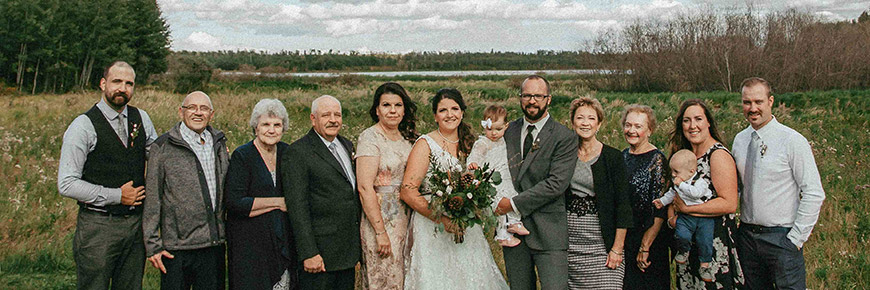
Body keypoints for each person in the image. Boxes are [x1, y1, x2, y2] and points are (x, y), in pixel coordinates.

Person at [58, 61, 158, 290]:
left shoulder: (142, 118)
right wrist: (116, 196)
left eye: (129, 83)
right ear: (103, 84)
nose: (122, 88)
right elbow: (66, 183)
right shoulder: (83, 126)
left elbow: (157, 159)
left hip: (135, 226)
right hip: (98, 226)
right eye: (116, 82)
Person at [400, 88, 508, 290]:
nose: (450, 114)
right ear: (435, 116)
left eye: (455, 108)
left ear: (462, 112)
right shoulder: (425, 144)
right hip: (433, 227)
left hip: (467, 227)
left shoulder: (473, 144)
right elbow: (408, 190)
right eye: (443, 110)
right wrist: (441, 218)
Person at [733, 77, 825, 290]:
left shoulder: (791, 140)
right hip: (747, 237)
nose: (753, 108)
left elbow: (813, 192)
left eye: (758, 102)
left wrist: (795, 239)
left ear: (770, 101)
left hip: (782, 238)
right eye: (747, 102)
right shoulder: (740, 140)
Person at [495, 75, 577, 290]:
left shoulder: (564, 136)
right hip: (513, 233)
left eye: (538, 96)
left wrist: (512, 204)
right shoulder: (507, 131)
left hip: (549, 232)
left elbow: (556, 184)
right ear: (520, 98)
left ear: (548, 99)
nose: (532, 101)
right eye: (527, 95)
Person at [143, 91, 229, 290]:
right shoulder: (163, 147)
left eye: (204, 108)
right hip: (177, 248)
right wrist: (152, 244)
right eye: (192, 107)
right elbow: (153, 198)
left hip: (213, 244)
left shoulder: (218, 142)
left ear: (211, 114)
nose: (198, 113)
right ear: (181, 112)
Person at [283, 95, 361, 290]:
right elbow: (297, 206)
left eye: (337, 114)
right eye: (326, 115)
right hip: (319, 255)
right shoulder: (298, 152)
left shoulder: (346, 145)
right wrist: (309, 252)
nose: (333, 120)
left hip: (346, 253)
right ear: (313, 118)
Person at [668, 99, 744, 289]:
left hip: (714, 245)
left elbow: (728, 204)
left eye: (698, 119)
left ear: (708, 122)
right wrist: (672, 219)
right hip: (688, 244)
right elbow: (672, 194)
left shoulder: (717, 155)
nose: (693, 126)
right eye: (686, 121)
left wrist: (688, 209)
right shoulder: (683, 155)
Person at [225, 99, 297, 290]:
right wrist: (279, 203)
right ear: (255, 127)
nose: (271, 130)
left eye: (277, 125)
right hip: (250, 246)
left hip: (283, 240)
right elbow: (235, 203)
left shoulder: (287, 153)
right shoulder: (243, 156)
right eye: (266, 124)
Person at [355, 82, 418, 289]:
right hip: (381, 219)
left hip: (408, 218)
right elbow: (364, 188)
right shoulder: (370, 137)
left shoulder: (407, 138)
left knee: (404, 277)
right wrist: (380, 232)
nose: (392, 110)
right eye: (386, 105)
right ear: (377, 110)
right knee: (383, 278)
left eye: (398, 105)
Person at [565, 97, 632, 289]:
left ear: (599, 124)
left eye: (591, 118)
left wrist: (617, 249)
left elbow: (623, 206)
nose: (585, 123)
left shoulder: (613, 157)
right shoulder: (565, 155)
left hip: (603, 245)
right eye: (580, 118)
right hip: (571, 246)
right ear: (572, 122)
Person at [619, 104, 671, 290]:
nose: (631, 130)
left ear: (649, 130)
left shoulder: (657, 160)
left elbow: (660, 209)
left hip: (649, 241)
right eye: (628, 125)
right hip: (626, 239)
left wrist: (645, 246)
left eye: (638, 126)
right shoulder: (623, 156)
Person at [467, 105, 528, 247]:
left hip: (505, 176)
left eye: (498, 129)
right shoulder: (483, 143)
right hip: (491, 179)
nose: (493, 133)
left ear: (506, 126)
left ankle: (513, 222)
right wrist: (473, 164)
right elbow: (475, 155)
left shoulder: (505, 140)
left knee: (513, 197)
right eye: (490, 129)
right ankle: (502, 235)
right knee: (499, 206)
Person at [654, 149, 716, 281]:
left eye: (676, 172)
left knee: (705, 240)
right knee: (681, 234)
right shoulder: (678, 183)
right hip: (686, 217)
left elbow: (695, 194)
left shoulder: (700, 182)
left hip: (703, 217)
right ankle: (683, 250)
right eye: (672, 171)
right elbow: (671, 194)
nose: (673, 175)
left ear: (691, 172)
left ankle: (705, 264)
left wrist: (681, 184)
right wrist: (662, 202)